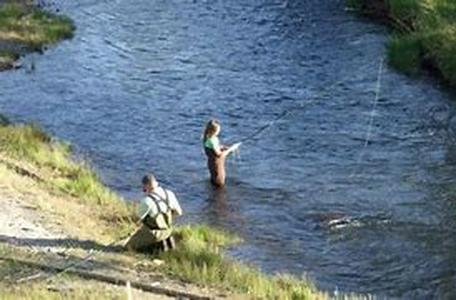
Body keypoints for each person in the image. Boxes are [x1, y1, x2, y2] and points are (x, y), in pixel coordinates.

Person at [124, 174, 183, 253]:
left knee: (128, 246)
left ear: (146, 186)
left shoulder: (146, 201)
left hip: (154, 234)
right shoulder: (169, 194)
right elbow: (179, 212)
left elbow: (137, 218)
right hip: (168, 230)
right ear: (156, 182)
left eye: (144, 188)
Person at [203, 119, 240, 188]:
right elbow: (219, 155)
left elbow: (216, 147)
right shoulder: (212, 140)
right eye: (218, 130)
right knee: (219, 184)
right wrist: (231, 149)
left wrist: (225, 147)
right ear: (214, 131)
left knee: (214, 181)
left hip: (211, 164)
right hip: (216, 165)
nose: (219, 131)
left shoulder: (208, 138)